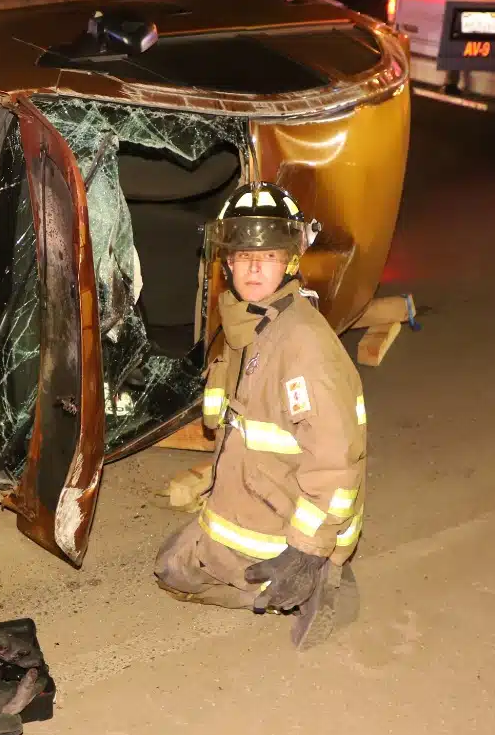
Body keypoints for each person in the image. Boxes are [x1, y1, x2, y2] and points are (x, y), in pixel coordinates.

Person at [153, 183, 367, 647]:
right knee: (170, 560)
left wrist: (308, 553)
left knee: (172, 574)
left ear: (290, 262)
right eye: (243, 254)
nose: (252, 266)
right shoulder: (248, 320)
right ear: (226, 261)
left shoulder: (302, 347)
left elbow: (336, 462)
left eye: (268, 256)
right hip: (251, 490)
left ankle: (318, 581)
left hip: (289, 525)